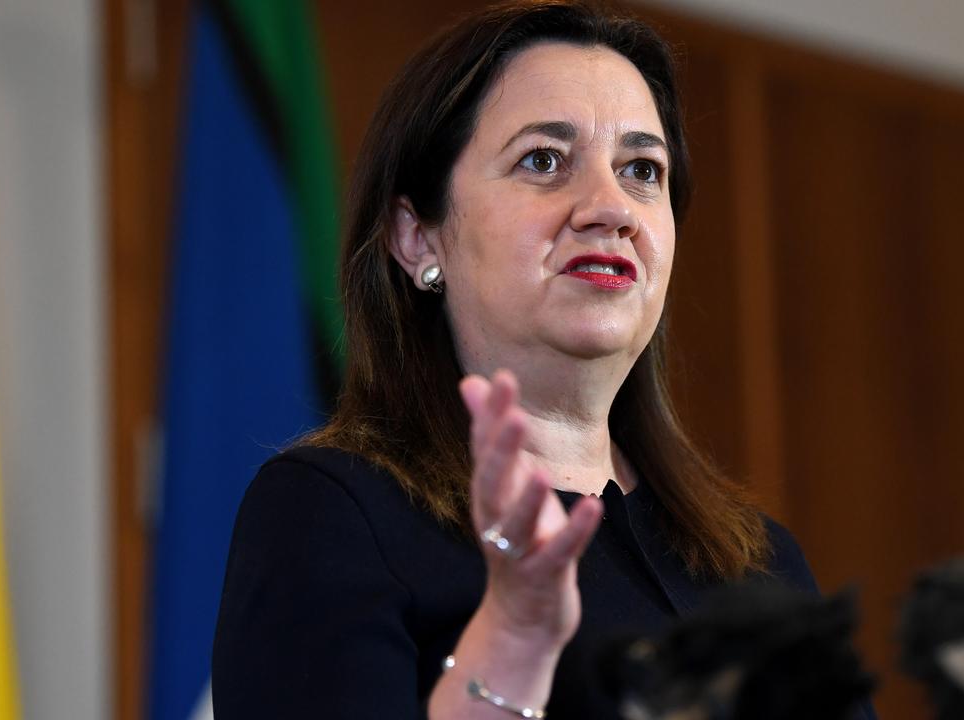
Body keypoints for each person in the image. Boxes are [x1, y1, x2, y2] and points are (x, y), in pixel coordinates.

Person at [211, 2, 869, 718]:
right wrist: (512, 645)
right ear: (417, 238)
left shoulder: (763, 565)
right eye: (544, 160)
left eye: (642, 170)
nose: (611, 207)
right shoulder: (333, 515)